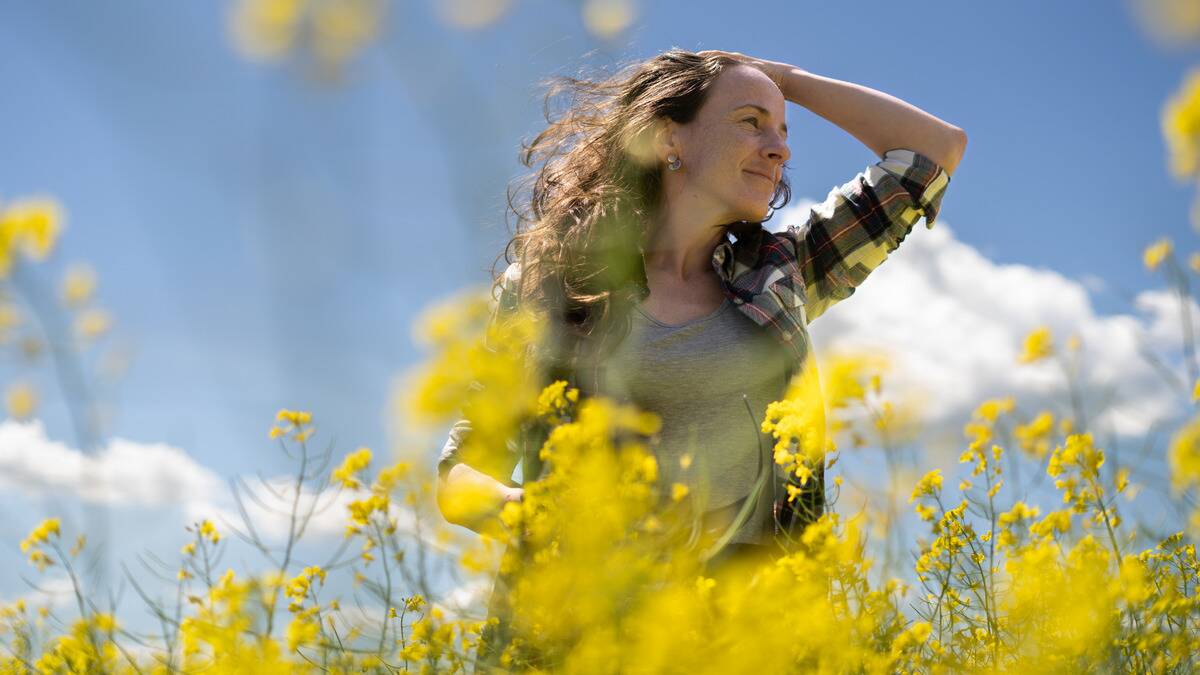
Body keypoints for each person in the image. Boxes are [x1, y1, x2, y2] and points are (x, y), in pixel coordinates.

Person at [435, 48, 966, 672]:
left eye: (783, 131)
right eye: (750, 123)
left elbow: (933, 151)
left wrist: (783, 82)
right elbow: (461, 474)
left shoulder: (785, 275)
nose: (780, 149)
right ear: (667, 139)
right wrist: (523, 512)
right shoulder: (548, 291)